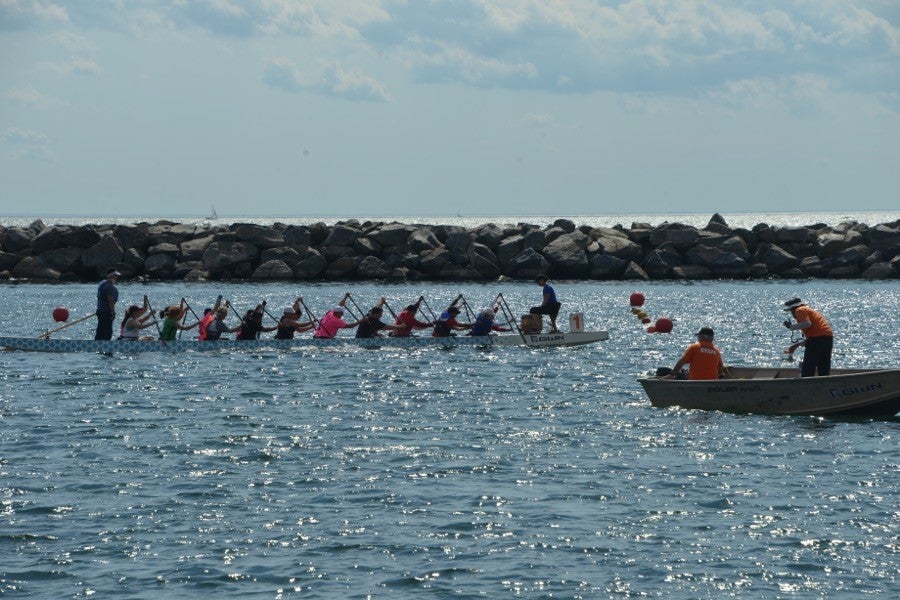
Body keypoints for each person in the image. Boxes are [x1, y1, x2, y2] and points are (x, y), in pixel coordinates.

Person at [783, 297, 834, 377]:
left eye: (790, 311)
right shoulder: (808, 310)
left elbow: (807, 324)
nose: (792, 314)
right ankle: (825, 384)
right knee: (823, 366)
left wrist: (791, 327)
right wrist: (795, 345)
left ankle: (806, 384)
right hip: (828, 337)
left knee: (808, 366)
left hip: (818, 339)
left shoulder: (799, 310)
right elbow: (814, 338)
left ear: (793, 309)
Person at [95, 267, 120, 340]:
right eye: (115, 276)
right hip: (106, 312)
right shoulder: (109, 287)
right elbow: (110, 300)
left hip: (100, 311)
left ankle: (97, 342)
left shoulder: (102, 283)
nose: (116, 277)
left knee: (100, 330)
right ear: (111, 276)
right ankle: (106, 346)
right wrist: (113, 312)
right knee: (108, 331)